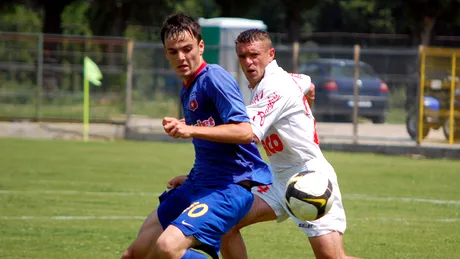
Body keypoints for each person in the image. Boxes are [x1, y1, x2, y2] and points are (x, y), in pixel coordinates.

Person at [120, 14, 272, 259]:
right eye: (173, 51)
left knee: (167, 248)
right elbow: (211, 139)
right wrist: (190, 173)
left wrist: (190, 129)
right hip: (199, 183)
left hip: (228, 188)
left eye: (187, 49)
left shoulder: (214, 77)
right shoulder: (188, 87)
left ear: (201, 47)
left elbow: (245, 132)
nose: (181, 57)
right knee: (134, 255)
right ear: (166, 54)